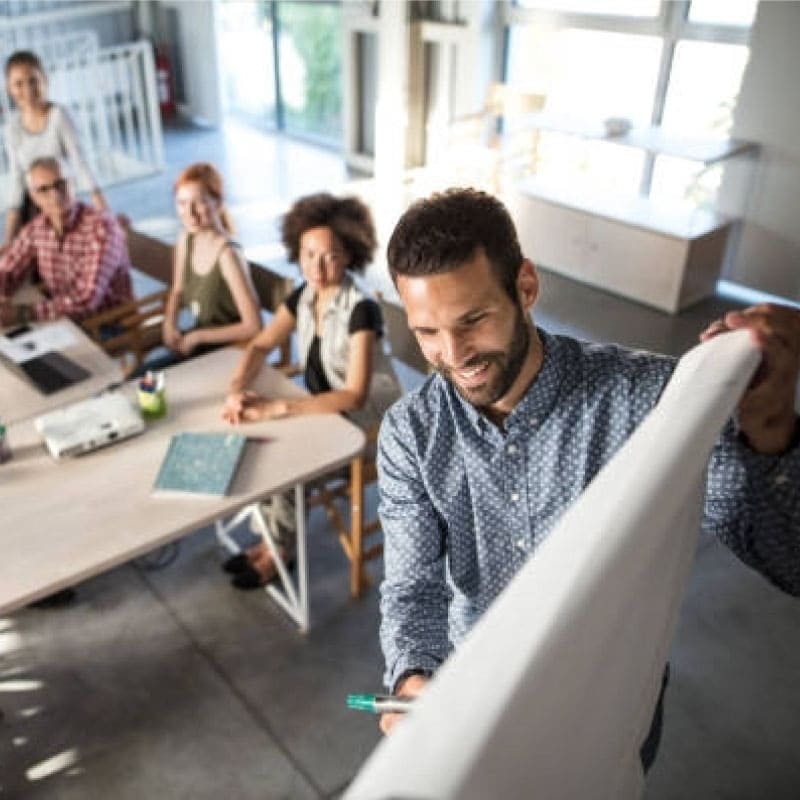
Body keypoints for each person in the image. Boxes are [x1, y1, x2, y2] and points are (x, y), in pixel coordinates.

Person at [376, 188, 800, 763]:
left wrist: (769, 430)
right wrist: (414, 683)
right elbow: (413, 589)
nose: (454, 355)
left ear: (525, 286)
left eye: (473, 319)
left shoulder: (649, 400)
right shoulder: (410, 434)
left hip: (613, 703)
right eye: (427, 331)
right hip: (480, 702)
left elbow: (788, 556)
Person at [221, 192, 401, 589]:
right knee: (260, 439)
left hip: (368, 425)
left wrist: (277, 408)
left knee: (285, 458)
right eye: (308, 254)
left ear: (350, 254)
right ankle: (272, 538)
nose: (317, 268)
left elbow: (354, 395)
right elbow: (261, 344)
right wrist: (236, 388)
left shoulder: (361, 310)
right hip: (325, 409)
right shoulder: (303, 295)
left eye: (330, 255)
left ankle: (278, 550)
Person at [0, 156, 132, 326]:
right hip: (65, 320)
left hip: (107, 324)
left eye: (60, 184)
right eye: (44, 190)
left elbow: (87, 300)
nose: (54, 195)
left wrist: (24, 313)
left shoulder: (102, 228)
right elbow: (8, 269)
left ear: (73, 184)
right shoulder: (37, 227)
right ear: (34, 198)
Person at [2, 50, 107, 251]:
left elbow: (81, 163)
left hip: (62, 201)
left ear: (45, 80)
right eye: (18, 84)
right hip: (32, 207)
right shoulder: (11, 128)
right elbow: (16, 182)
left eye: (33, 80)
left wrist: (105, 214)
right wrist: (9, 239)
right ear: (9, 88)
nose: (28, 89)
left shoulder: (59, 116)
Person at [160, 163, 261, 363]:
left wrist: (199, 336)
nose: (190, 212)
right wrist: (169, 323)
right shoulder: (186, 238)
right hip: (199, 347)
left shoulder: (228, 254)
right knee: (139, 383)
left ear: (218, 203)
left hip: (229, 352)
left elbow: (253, 325)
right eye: (182, 203)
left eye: (199, 202)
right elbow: (178, 289)